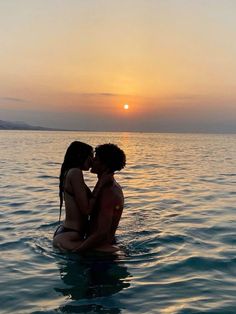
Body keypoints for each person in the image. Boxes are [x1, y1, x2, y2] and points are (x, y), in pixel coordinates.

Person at [53, 141, 108, 251]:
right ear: (82, 156)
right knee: (117, 252)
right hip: (70, 235)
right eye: (91, 156)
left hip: (68, 232)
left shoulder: (69, 172)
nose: (92, 160)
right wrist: (101, 183)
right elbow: (86, 209)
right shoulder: (75, 172)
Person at [73, 143, 126, 253]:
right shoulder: (106, 185)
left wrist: (77, 252)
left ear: (104, 165)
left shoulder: (109, 192)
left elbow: (101, 232)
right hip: (99, 247)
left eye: (96, 159)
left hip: (101, 254)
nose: (92, 161)